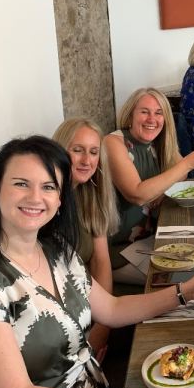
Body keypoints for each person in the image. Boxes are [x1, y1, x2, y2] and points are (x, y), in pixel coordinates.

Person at [0, 135, 194, 388]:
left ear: (60, 200)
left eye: (48, 187)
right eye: (21, 184)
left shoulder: (56, 250)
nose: (35, 197)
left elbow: (112, 309)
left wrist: (188, 291)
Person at [105, 88, 194, 284]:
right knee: (192, 277)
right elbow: (137, 194)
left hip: (155, 236)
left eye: (159, 113)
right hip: (121, 248)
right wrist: (189, 163)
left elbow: (181, 173)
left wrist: (162, 190)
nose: (152, 119)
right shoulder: (113, 142)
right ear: (130, 115)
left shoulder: (159, 141)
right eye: (144, 112)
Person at [53, 117, 119, 359]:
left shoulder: (89, 194)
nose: (87, 160)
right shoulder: (46, 204)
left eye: (93, 152)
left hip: (88, 308)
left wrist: (102, 328)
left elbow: (100, 261)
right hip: (60, 324)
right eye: (77, 150)